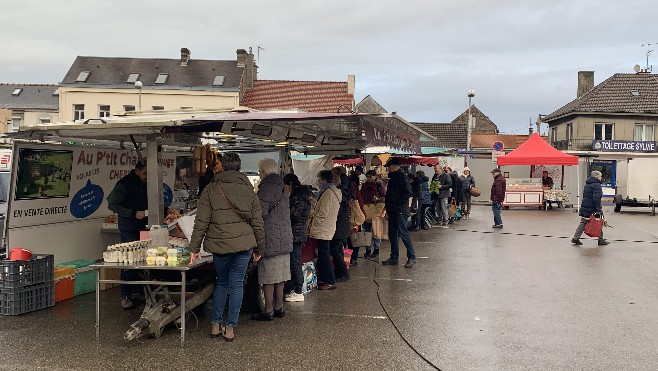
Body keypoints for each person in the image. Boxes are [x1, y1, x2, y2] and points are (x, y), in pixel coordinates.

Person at [188, 152, 265, 341]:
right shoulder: (250, 191)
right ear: (239, 168)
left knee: (221, 282)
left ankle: (215, 325)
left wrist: (194, 248)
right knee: (237, 284)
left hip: (220, 245)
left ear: (221, 166)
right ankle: (230, 328)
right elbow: (258, 223)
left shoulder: (210, 189)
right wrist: (259, 249)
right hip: (244, 245)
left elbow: (201, 221)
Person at [252, 159, 294, 321]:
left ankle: (268, 310)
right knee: (280, 277)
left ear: (262, 172)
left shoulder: (265, 189)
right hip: (284, 237)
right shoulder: (282, 188)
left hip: (270, 237)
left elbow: (259, 214)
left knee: (268, 277)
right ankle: (279, 307)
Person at [107, 161, 148, 310]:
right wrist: (132, 213)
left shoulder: (145, 184)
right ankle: (125, 296)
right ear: (137, 170)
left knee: (143, 261)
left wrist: (166, 209)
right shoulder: (124, 184)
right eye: (145, 174)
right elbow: (112, 205)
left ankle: (137, 291)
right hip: (129, 228)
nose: (147, 177)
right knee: (128, 262)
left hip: (144, 228)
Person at [308, 170, 342, 290]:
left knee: (324, 254)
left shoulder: (328, 193)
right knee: (324, 253)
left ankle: (330, 280)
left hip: (323, 228)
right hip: (328, 227)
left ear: (324, 180)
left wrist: (314, 224)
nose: (318, 181)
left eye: (319, 179)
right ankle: (324, 279)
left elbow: (323, 212)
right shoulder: (334, 192)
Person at [282, 173, 314, 303]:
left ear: (290, 184)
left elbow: (294, 215)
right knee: (295, 261)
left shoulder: (298, 197)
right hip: (298, 232)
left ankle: (299, 291)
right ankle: (296, 288)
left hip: (296, 233)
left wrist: (285, 211)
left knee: (295, 261)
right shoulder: (302, 195)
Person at [381, 158, 416, 268]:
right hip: (393, 211)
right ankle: (394, 257)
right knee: (392, 234)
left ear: (395, 166)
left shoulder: (402, 177)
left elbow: (408, 192)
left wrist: (398, 204)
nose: (388, 169)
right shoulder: (393, 178)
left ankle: (411, 257)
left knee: (404, 233)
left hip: (400, 211)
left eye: (390, 167)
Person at [571, 170, 609, 246]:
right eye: (600, 176)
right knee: (598, 221)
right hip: (592, 207)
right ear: (597, 177)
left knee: (583, 222)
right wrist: (598, 210)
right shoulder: (597, 185)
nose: (601, 178)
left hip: (586, 206)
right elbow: (596, 198)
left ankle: (575, 238)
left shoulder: (587, 184)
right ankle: (600, 239)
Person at [330, 167, 351, 281]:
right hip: (342, 225)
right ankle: (341, 272)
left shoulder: (338, 194)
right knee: (338, 249)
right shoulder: (343, 192)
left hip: (339, 226)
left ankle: (343, 272)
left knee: (335, 249)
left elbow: (337, 212)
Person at [360, 170, 384, 258]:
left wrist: (378, 199)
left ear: (375, 176)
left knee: (376, 232)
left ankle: (376, 249)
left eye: (371, 176)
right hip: (366, 210)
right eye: (368, 177)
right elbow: (361, 196)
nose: (369, 178)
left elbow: (384, 197)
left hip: (375, 211)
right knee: (367, 232)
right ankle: (368, 250)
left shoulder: (379, 186)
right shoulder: (364, 186)